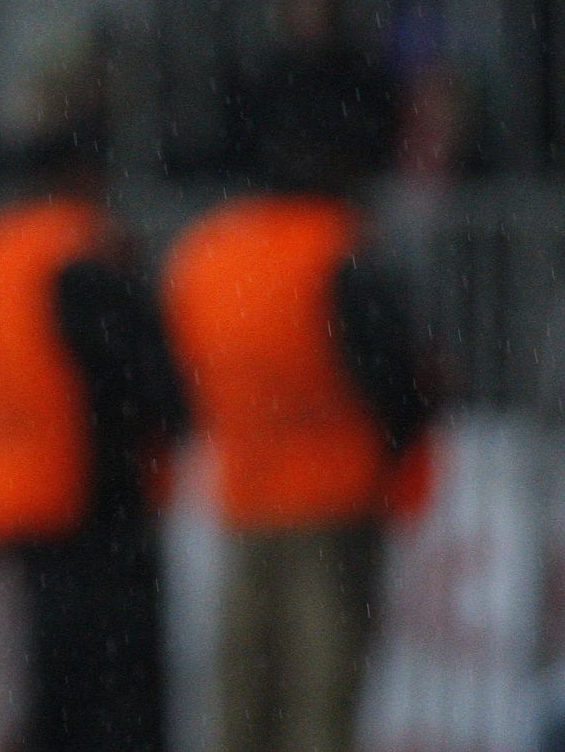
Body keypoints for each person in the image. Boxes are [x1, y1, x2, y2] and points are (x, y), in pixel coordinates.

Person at [160, 38, 435, 752]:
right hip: (333, 504)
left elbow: (171, 384)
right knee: (322, 701)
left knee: (244, 700)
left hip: (245, 501)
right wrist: (401, 451)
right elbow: (395, 379)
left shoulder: (207, 252)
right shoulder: (338, 246)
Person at [0, 120, 186, 752]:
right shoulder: (75, 256)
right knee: (107, 714)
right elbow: (147, 381)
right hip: (86, 519)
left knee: (19, 714)